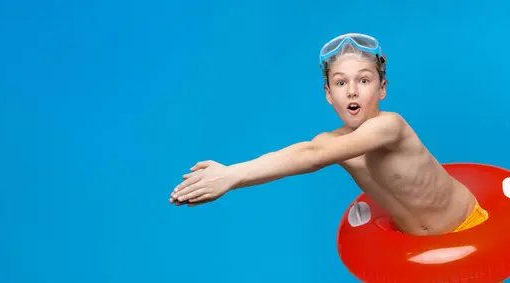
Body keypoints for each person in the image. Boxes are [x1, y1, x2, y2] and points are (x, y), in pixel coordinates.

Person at [168, 33, 489, 236]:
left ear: (382, 89)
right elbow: (297, 153)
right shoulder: (333, 141)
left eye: (364, 80)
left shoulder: (390, 126)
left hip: (469, 227)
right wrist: (227, 173)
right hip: (412, 244)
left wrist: (234, 175)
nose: (352, 91)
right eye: (340, 82)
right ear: (328, 94)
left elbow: (313, 157)